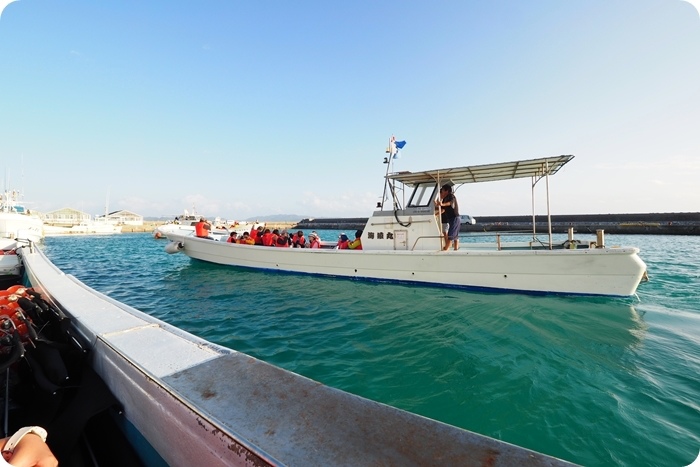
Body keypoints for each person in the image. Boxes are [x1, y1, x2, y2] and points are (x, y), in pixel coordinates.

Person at [434, 184, 461, 251]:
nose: (441, 192)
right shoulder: (445, 198)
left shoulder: (451, 196)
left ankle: (446, 248)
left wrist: (442, 204)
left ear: (446, 191)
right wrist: (436, 204)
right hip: (452, 219)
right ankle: (455, 249)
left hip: (455, 218)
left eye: (442, 190)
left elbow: (450, 203)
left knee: (451, 235)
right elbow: (442, 208)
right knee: (455, 235)